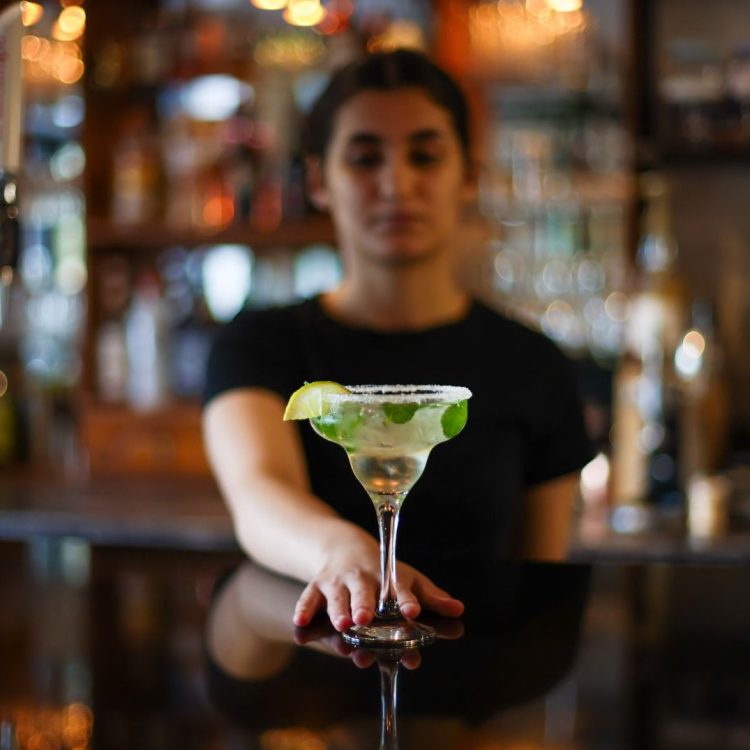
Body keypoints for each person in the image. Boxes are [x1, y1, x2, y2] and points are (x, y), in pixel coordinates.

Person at [202, 49, 593, 635]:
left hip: (473, 673)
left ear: (468, 176)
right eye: (365, 158)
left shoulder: (534, 364)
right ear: (319, 181)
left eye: (425, 156)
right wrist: (342, 551)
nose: (396, 183)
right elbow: (258, 492)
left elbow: (541, 583)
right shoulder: (259, 344)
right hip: (306, 669)